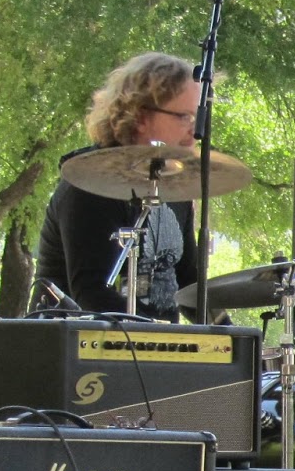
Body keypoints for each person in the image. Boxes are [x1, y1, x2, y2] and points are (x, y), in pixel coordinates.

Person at [32, 52, 202, 321]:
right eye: (184, 117)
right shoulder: (88, 186)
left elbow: (191, 287)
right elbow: (95, 297)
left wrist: (238, 342)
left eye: (197, 118)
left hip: (157, 352)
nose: (195, 131)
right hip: (81, 355)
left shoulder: (175, 187)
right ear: (142, 116)